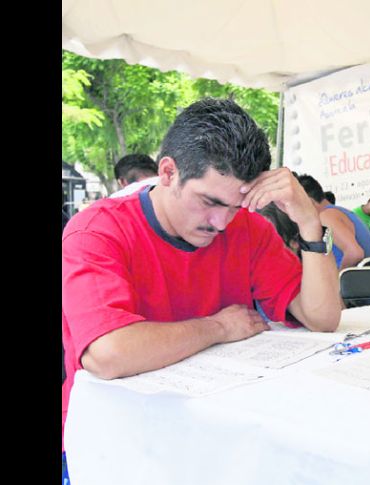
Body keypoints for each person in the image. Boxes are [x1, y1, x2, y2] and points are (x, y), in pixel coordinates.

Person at [62, 98, 342, 466]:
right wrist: (218, 327)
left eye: (234, 206)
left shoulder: (248, 228)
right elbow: (108, 354)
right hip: (113, 441)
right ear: (167, 172)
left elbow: (322, 319)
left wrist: (308, 221)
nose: (221, 222)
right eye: (209, 201)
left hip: (218, 433)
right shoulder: (96, 232)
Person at [297, 174, 370, 269]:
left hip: (356, 281)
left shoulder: (326, 216)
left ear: (309, 201)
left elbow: (355, 253)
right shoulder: (339, 212)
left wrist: (336, 279)